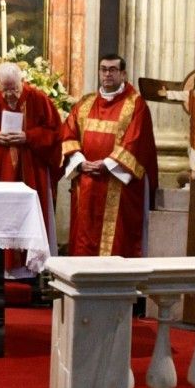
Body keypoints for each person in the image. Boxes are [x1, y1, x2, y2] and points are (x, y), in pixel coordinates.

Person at [60, 54, 158, 257]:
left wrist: (107, 164)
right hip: (86, 183)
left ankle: (116, 283)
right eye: (103, 69)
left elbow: (136, 141)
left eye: (112, 70)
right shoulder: (85, 103)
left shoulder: (136, 105)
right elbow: (68, 134)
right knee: (84, 239)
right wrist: (80, 162)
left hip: (118, 185)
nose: (107, 74)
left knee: (117, 243)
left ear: (123, 74)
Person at [0, 61, 62, 248]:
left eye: (14, 89)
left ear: (21, 81)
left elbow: (55, 133)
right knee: (2, 213)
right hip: (2, 169)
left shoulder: (39, 99)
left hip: (32, 167)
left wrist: (28, 136)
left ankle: (30, 264)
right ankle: (0, 265)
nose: (9, 95)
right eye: (5, 90)